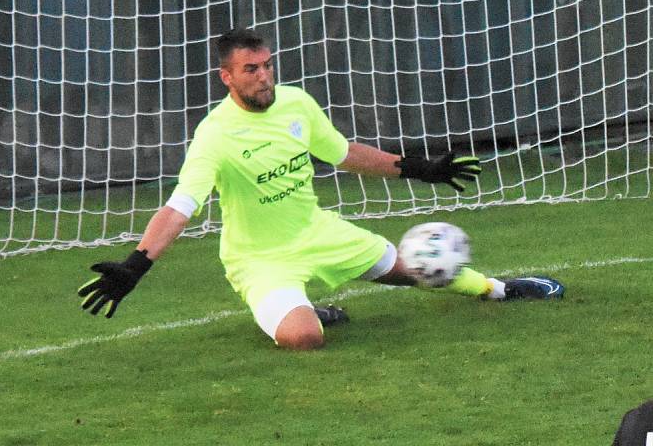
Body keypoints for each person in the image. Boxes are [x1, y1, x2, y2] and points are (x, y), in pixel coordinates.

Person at [79, 27, 565, 351]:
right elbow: (179, 209)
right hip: (261, 258)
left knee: (417, 269)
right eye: (251, 69)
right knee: (304, 340)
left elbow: (344, 152)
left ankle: (501, 289)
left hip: (319, 233)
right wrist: (136, 265)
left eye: (268, 64)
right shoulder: (214, 135)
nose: (265, 75)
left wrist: (418, 168)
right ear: (227, 77)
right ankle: (301, 309)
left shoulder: (296, 104)